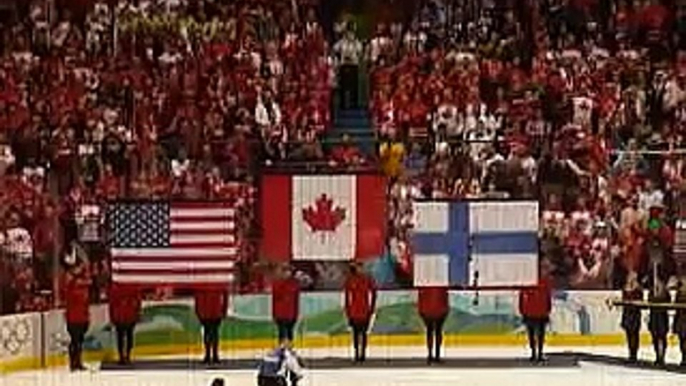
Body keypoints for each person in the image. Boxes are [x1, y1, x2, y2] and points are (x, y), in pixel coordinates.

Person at [344, 262, 377, 362]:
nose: (359, 268)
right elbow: (347, 297)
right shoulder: (350, 280)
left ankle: (362, 353)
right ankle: (356, 353)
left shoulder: (367, 279)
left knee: (363, 333)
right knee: (355, 333)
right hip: (354, 311)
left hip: (364, 311)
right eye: (358, 266)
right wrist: (348, 311)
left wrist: (372, 307)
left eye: (360, 266)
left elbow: (374, 292)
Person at [64, 261, 92, 371]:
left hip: (80, 317)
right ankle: (74, 362)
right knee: (75, 340)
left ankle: (77, 362)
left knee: (79, 341)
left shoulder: (83, 286)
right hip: (74, 318)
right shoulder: (72, 286)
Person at [518, 278, 552, 362]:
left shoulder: (526, 283)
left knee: (531, 334)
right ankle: (539, 354)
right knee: (540, 335)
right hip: (541, 313)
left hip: (530, 313)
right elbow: (548, 298)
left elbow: (521, 299)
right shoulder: (544, 282)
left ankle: (534, 353)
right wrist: (547, 310)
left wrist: (522, 311)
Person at [109, 283, 141, 365]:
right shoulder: (115, 288)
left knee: (127, 337)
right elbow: (112, 303)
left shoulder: (133, 287)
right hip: (121, 316)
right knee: (122, 337)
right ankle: (123, 356)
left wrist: (138, 314)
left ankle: (126, 356)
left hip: (127, 316)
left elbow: (138, 301)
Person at [194, 287, 228, 364]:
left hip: (210, 312)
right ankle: (212, 355)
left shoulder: (206, 284)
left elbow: (197, 298)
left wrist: (198, 311)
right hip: (211, 311)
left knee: (209, 334)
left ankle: (210, 355)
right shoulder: (216, 284)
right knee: (212, 334)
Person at [417, 286, 449, 363]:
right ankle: (436, 356)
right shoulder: (442, 280)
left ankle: (430, 355)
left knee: (429, 330)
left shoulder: (423, 280)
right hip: (440, 306)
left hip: (426, 307)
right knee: (438, 330)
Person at [272, 264, 300, 343]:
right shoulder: (278, 283)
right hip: (281, 314)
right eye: (285, 271)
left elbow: (295, 299)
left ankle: (289, 347)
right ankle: (282, 347)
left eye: (289, 271)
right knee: (282, 331)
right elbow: (277, 296)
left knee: (289, 331)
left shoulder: (294, 283)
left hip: (291, 313)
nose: (287, 274)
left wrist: (295, 314)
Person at [620, 272, 643, 363]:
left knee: (634, 334)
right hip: (627, 313)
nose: (630, 278)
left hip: (635, 314)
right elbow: (624, 299)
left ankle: (634, 354)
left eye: (632, 277)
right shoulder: (625, 288)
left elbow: (640, 300)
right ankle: (631, 353)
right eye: (629, 277)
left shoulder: (638, 289)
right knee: (629, 334)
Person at [648, 279, 671, 366]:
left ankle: (662, 356)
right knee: (655, 337)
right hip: (654, 317)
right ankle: (657, 355)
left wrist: (661, 294)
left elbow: (668, 302)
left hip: (662, 317)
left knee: (662, 337)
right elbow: (649, 301)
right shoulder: (652, 291)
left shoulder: (665, 293)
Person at [673, 279, 686, 366]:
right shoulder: (678, 294)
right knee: (682, 340)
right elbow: (677, 310)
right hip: (681, 320)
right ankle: (684, 357)